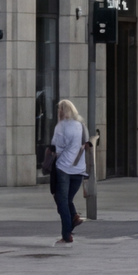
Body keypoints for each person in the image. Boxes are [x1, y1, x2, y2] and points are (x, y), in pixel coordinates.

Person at [49, 99, 87, 244]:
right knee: (67, 199)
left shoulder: (61, 126)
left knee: (62, 201)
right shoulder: (81, 125)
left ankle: (67, 234)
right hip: (79, 169)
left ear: (61, 111)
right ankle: (74, 217)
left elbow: (56, 147)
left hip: (64, 168)